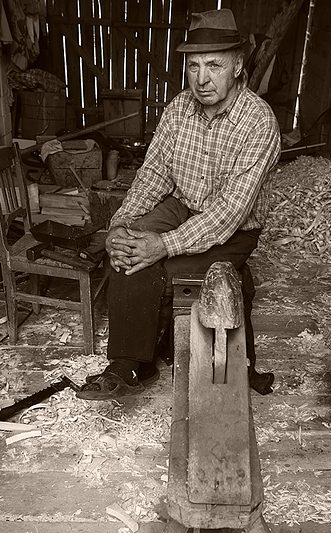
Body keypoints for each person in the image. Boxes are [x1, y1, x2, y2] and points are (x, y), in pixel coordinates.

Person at [77, 8, 281, 400]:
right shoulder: (178, 109)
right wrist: (121, 224)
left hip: (235, 228)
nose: (202, 79)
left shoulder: (259, 122)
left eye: (214, 65)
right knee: (128, 250)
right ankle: (128, 364)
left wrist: (163, 245)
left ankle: (155, 354)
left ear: (238, 65)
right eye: (193, 66)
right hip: (183, 205)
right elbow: (153, 175)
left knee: (163, 267)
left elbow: (229, 212)